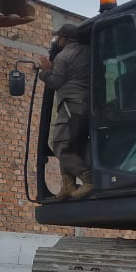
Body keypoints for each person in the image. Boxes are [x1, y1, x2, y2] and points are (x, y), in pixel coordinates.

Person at [38, 23, 92, 200]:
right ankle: (67, 185)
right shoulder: (88, 52)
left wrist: (45, 71)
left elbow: (54, 83)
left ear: (65, 39)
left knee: (61, 145)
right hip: (86, 106)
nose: (56, 41)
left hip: (69, 106)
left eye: (58, 38)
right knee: (74, 145)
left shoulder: (64, 57)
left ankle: (87, 177)